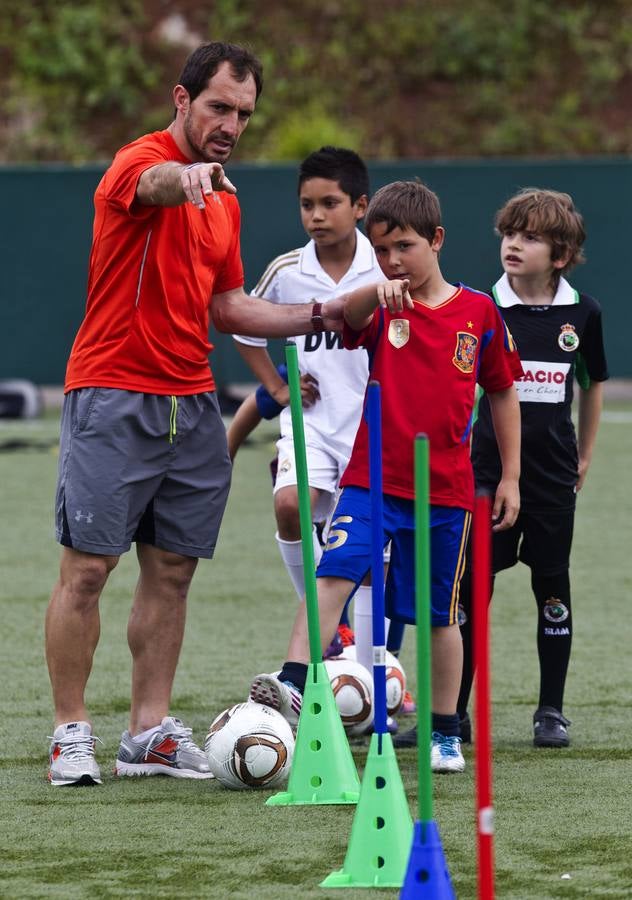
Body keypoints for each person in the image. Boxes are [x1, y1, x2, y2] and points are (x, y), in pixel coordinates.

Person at [45, 41, 345, 787]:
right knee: (87, 570)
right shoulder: (140, 161)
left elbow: (228, 307)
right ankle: (70, 731)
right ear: (182, 101)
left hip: (192, 404)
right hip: (113, 391)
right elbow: (152, 185)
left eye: (243, 114)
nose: (231, 124)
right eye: (218, 107)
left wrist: (321, 313)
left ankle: (147, 732)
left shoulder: (229, 200)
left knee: (173, 572)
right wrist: (187, 176)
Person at [249, 180, 523, 773]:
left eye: (404, 247)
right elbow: (348, 315)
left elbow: (502, 392)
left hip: (445, 492)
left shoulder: (478, 313)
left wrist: (511, 478)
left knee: (438, 617)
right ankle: (294, 682)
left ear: (437, 240)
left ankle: (445, 730)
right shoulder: (379, 308)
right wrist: (374, 290)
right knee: (333, 576)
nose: (394, 261)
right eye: (382, 251)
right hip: (370, 480)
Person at [456, 188, 608, 749]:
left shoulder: (584, 313)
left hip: (551, 480)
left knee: (553, 588)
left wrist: (586, 453)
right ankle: (456, 713)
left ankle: (551, 710)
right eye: (509, 234)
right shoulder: (479, 307)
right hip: (486, 476)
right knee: (472, 593)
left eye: (530, 238)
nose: (513, 245)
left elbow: (591, 384)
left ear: (561, 255)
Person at [231, 146, 385, 655]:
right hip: (312, 425)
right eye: (306, 205)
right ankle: (326, 622)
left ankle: (377, 667)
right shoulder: (287, 270)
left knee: (371, 559)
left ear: (360, 206)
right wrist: (277, 389)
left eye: (329, 203)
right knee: (290, 504)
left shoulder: (384, 268)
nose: (316, 216)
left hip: (372, 429)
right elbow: (244, 326)